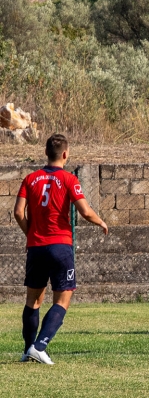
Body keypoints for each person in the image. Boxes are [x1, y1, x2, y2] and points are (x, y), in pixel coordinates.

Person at [15, 134, 108, 365]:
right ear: (65, 154)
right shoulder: (69, 179)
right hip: (60, 246)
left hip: (36, 247)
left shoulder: (30, 179)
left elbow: (18, 212)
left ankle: (28, 349)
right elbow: (85, 211)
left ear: (46, 153)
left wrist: (31, 234)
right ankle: (40, 346)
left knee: (33, 301)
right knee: (62, 300)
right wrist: (101, 222)